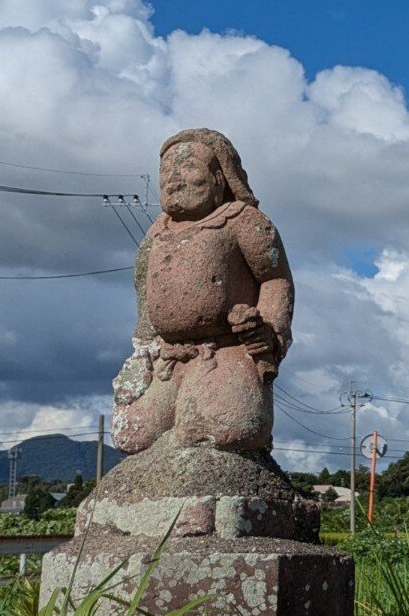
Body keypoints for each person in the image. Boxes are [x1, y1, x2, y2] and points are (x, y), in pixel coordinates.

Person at [112, 129, 293, 454]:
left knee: (215, 431)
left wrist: (268, 334)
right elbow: (145, 296)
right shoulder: (157, 233)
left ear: (220, 177)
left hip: (224, 351)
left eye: (189, 167)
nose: (175, 178)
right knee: (132, 436)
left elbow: (275, 279)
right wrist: (143, 354)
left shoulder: (241, 221)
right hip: (167, 358)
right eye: (166, 170)